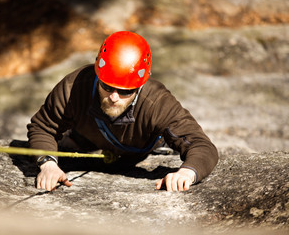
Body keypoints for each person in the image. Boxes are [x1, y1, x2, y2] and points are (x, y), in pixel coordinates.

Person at [27, 31, 218, 192]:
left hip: (139, 145)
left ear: (140, 86)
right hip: (85, 136)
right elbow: (43, 126)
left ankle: (159, 144)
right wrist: (48, 164)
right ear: (98, 74)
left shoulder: (157, 102)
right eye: (107, 87)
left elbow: (202, 146)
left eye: (126, 91)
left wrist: (188, 172)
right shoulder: (73, 87)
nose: (114, 97)